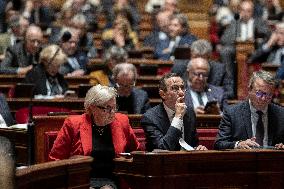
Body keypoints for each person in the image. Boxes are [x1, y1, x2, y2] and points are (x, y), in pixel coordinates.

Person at [49, 84, 140, 188]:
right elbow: (55, 158)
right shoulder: (73, 124)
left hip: (112, 179)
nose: (112, 113)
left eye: (114, 107)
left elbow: (136, 152)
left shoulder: (122, 122)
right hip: (81, 179)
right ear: (92, 107)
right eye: (107, 108)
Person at [214, 70, 284, 150]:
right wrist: (238, 144)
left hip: (271, 160)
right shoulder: (232, 113)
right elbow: (219, 143)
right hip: (243, 160)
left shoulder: (281, 114)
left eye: (269, 95)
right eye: (259, 93)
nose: (263, 99)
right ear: (249, 90)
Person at [141, 73, 207, 151]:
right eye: (175, 88)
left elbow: (192, 144)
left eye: (182, 88)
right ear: (163, 94)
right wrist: (178, 117)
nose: (181, 93)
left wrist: (198, 148)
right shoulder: (150, 118)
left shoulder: (189, 113)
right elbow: (163, 148)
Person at [218, 0, 271, 92]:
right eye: (243, 10)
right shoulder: (234, 22)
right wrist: (236, 26)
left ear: (252, 12)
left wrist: (256, 40)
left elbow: (267, 36)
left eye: (248, 11)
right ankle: (229, 88)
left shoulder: (259, 22)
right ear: (239, 11)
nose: (245, 13)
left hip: (255, 50)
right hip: (237, 50)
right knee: (225, 51)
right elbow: (224, 40)